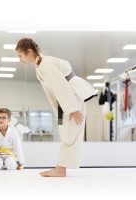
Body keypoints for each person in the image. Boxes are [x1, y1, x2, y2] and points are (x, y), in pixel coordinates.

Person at [15, 38, 96, 177]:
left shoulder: (45, 64)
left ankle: (61, 169)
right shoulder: (41, 64)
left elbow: (61, 86)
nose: (20, 60)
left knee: (69, 135)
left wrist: (73, 108)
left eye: (20, 55)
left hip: (72, 98)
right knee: (67, 134)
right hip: (68, 100)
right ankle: (60, 167)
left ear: (29, 52)